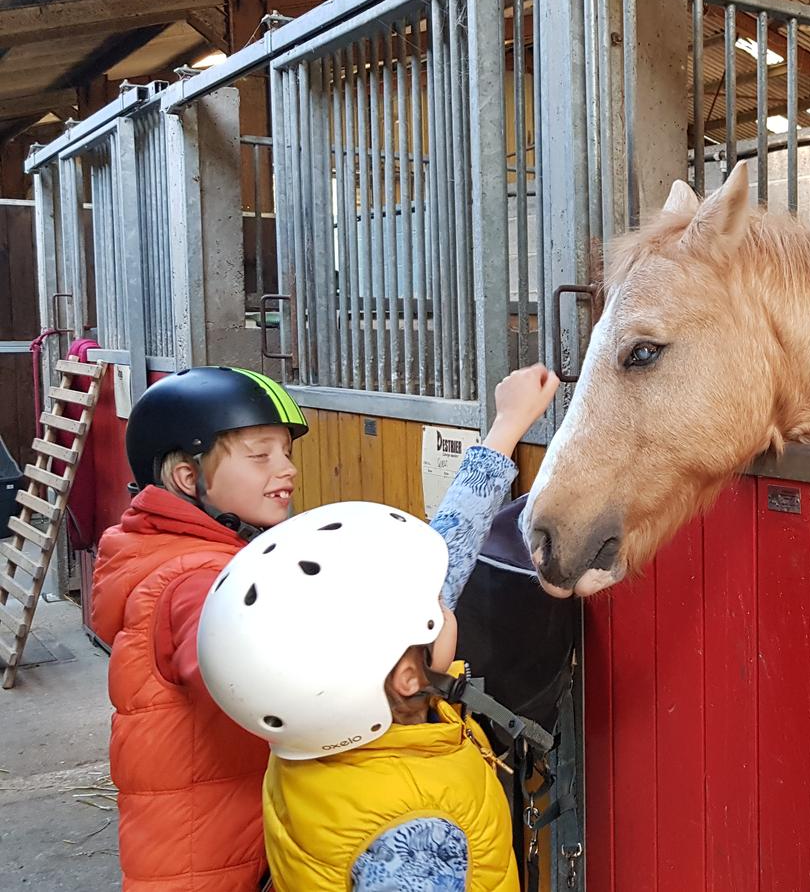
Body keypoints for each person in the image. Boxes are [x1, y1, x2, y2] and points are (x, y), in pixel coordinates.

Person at [90, 363, 558, 891]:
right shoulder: (197, 583)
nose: (285, 468)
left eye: (286, 453)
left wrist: (504, 431)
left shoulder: (199, 557)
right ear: (186, 476)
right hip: (214, 867)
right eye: (260, 455)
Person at [196, 499, 523, 892]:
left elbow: (445, 565)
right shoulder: (415, 832)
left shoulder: (317, 732)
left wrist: (498, 446)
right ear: (406, 677)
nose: (446, 604)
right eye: (436, 606)